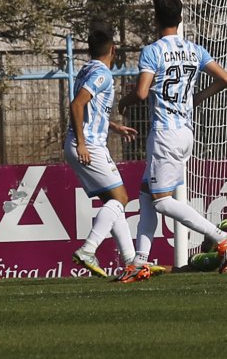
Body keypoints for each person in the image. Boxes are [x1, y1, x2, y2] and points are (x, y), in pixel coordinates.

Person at [116, 0, 227, 283]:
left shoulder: (153, 51)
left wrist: (125, 101)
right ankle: (139, 262)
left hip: (165, 133)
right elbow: (226, 79)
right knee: (146, 196)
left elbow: (143, 92)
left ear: (155, 19)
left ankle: (221, 237)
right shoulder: (194, 50)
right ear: (180, 19)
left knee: (160, 201)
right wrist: (196, 98)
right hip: (185, 132)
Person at [67, 28, 140, 278]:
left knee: (114, 204)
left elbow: (90, 110)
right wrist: (82, 143)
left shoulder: (86, 70)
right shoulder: (102, 74)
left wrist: (114, 126)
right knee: (120, 199)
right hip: (89, 146)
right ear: (114, 50)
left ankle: (131, 261)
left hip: (83, 143)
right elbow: (77, 105)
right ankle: (88, 249)